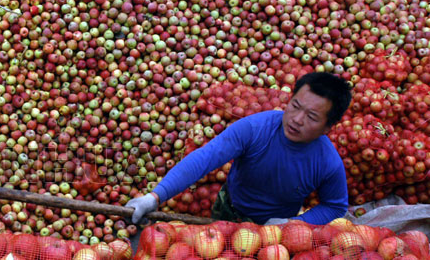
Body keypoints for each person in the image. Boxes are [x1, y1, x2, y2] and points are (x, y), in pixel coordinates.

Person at [126, 72, 353, 226]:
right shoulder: (255, 128)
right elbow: (205, 157)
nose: (297, 119)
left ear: (328, 127)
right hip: (229, 208)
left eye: (312, 117)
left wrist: (292, 225)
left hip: (276, 231)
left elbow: (335, 206)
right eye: (295, 106)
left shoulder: (327, 163)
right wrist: (155, 196)